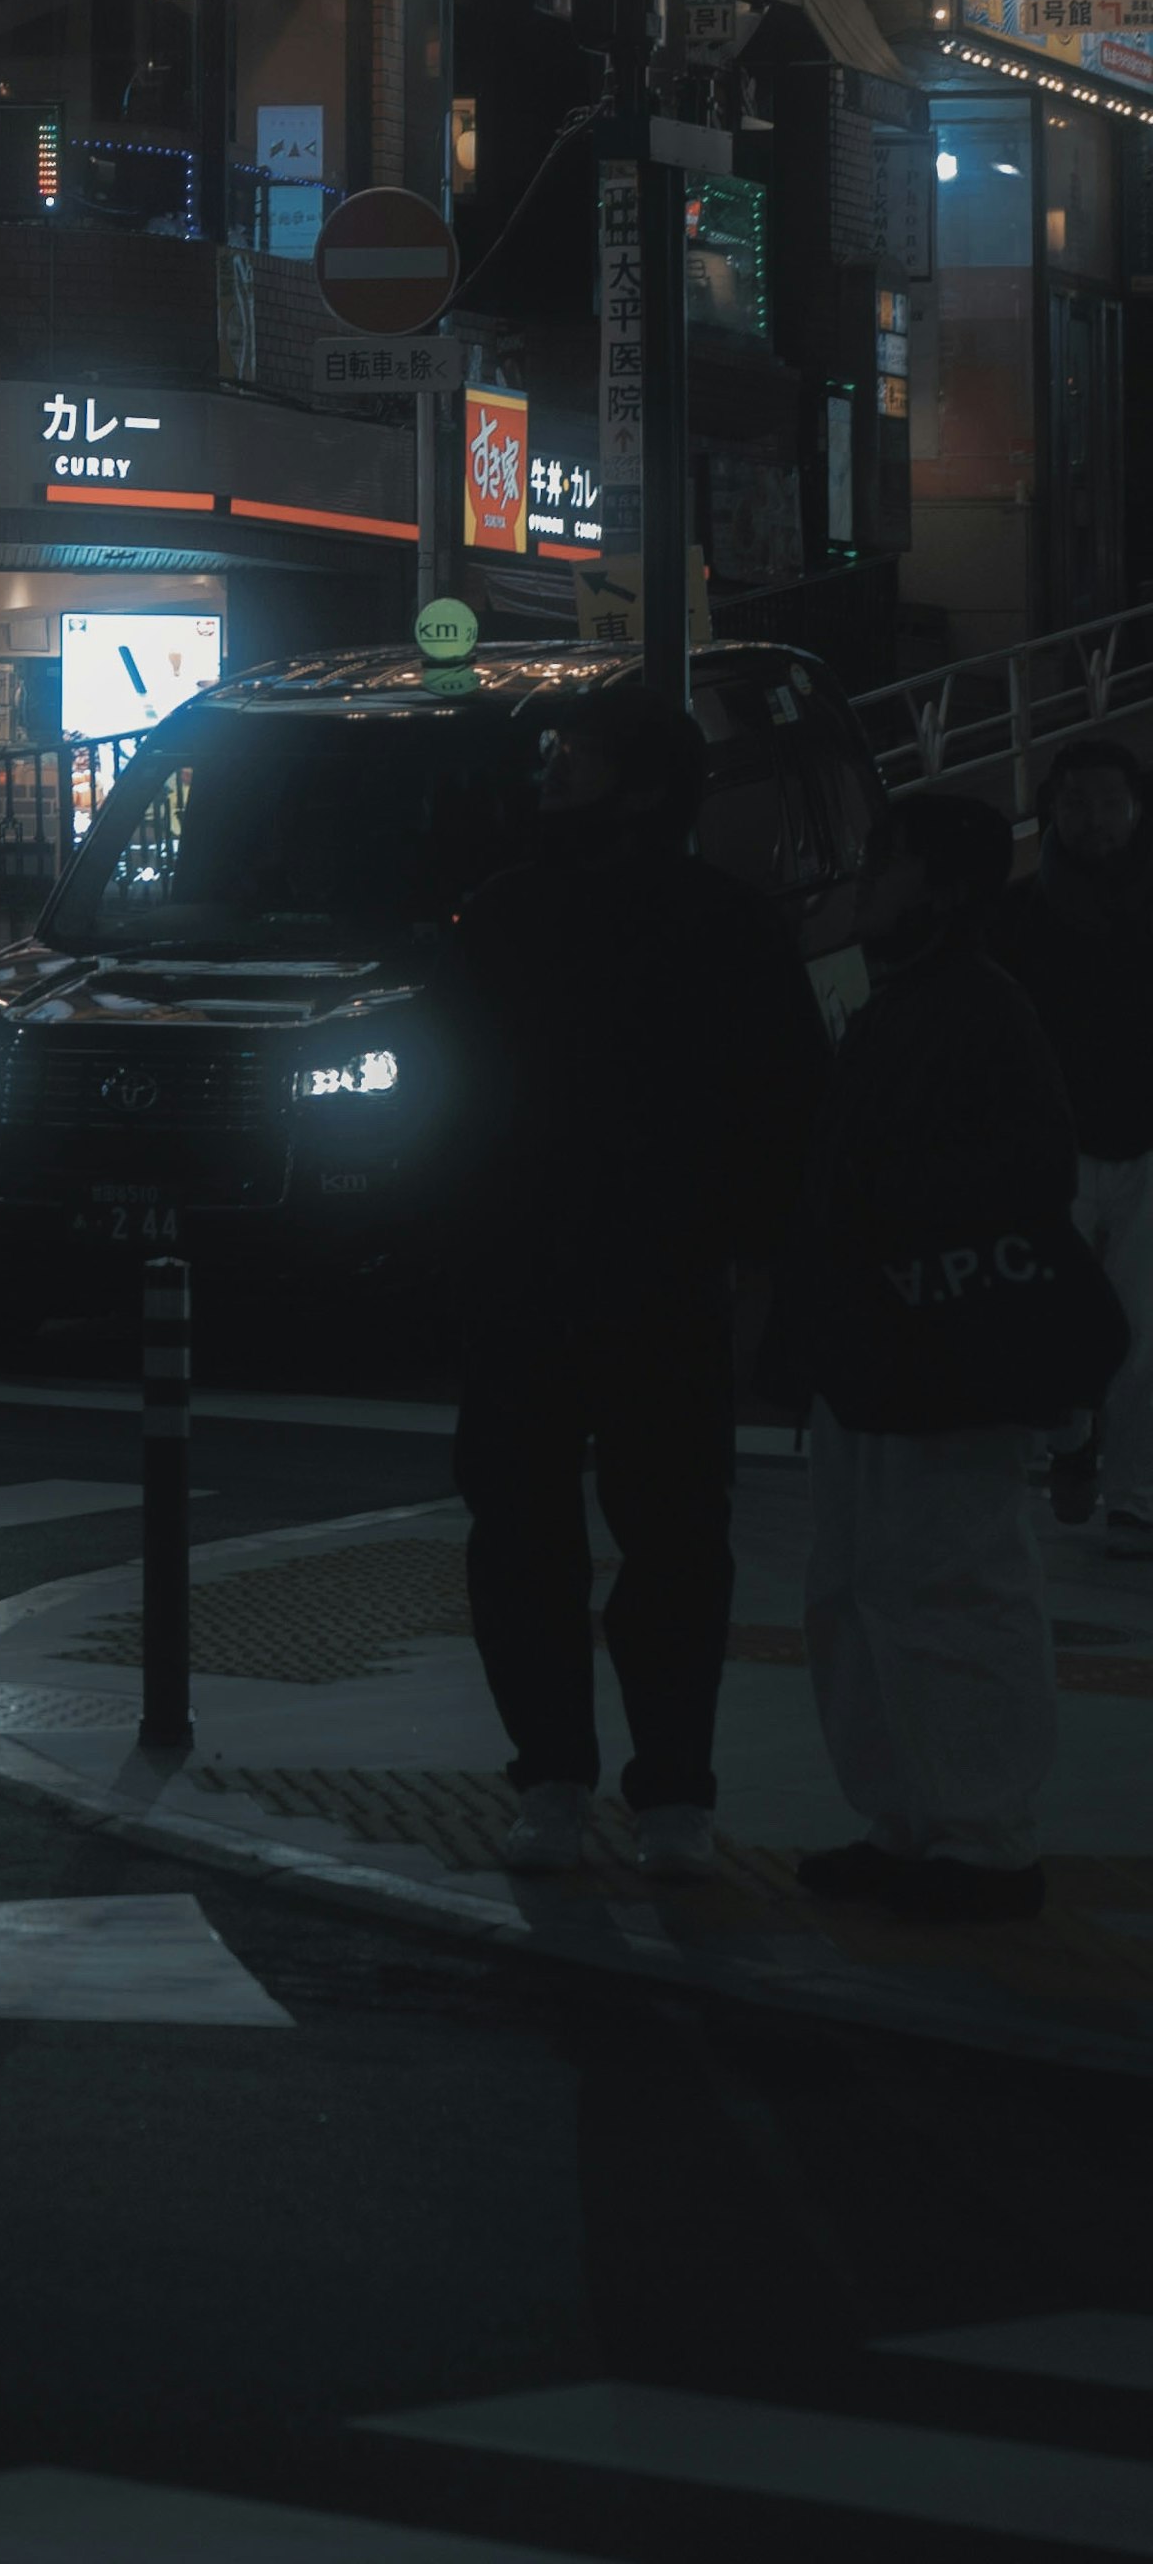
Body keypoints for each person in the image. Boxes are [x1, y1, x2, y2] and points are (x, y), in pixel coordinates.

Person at [439, 680, 828, 1884]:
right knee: (655, 1539)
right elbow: (789, 1107)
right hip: (647, 1273)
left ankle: (570, 1783)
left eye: (577, 755)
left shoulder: (511, 916)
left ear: (647, 782)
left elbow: (447, 1098)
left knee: (550, 1535)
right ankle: (657, 1796)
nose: (551, 770)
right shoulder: (720, 921)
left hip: (562, 1270)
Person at [785, 782, 1106, 1925]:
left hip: (928, 1349)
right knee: (871, 1584)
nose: (868, 876)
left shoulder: (962, 1008)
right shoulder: (922, 1002)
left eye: (890, 858)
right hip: (893, 1346)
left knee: (941, 1581)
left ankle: (972, 1832)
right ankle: (922, 1822)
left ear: (950, 885)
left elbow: (1019, 1172)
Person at [992, 734, 1153, 1545]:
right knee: (1063, 1314)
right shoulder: (1021, 916)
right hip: (1059, 1139)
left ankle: (1128, 1483)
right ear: (1054, 808)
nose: (1096, 819)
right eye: (1080, 803)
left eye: (1109, 803)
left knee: (1138, 1324)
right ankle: (1078, 1446)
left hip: (1136, 1137)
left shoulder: (1026, 909)